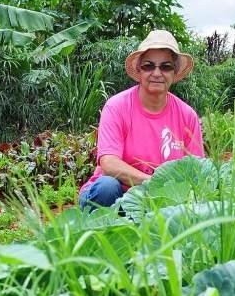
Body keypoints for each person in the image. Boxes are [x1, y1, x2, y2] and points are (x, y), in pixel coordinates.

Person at [78, 30, 205, 210]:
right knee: (107, 187)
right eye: (148, 66)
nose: (157, 73)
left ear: (174, 72)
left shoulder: (187, 115)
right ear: (139, 70)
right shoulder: (116, 107)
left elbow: (197, 170)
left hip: (159, 201)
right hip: (115, 195)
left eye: (166, 66)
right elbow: (109, 163)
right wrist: (154, 184)